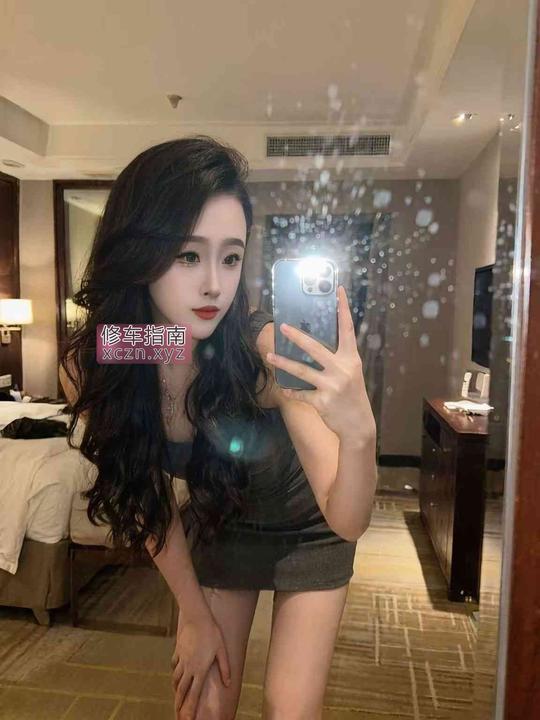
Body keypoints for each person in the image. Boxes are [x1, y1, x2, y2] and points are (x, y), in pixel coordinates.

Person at [59, 135, 378, 720]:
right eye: (188, 256)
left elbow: (347, 517)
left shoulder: (259, 351)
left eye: (230, 258)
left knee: (290, 708)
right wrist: (194, 616)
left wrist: (360, 435)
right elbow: (147, 495)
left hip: (310, 527)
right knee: (203, 704)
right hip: (224, 518)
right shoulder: (114, 356)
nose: (213, 284)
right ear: (138, 250)